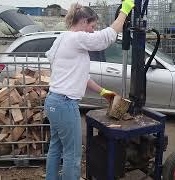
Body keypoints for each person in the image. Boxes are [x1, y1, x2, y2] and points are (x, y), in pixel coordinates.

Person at [44, 0, 135, 179]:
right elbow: (106, 38)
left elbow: (81, 77)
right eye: (92, 26)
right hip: (65, 104)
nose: (93, 30)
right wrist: (124, 11)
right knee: (73, 154)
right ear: (84, 21)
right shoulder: (76, 38)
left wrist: (103, 92)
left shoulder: (62, 39)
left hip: (53, 101)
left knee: (56, 147)